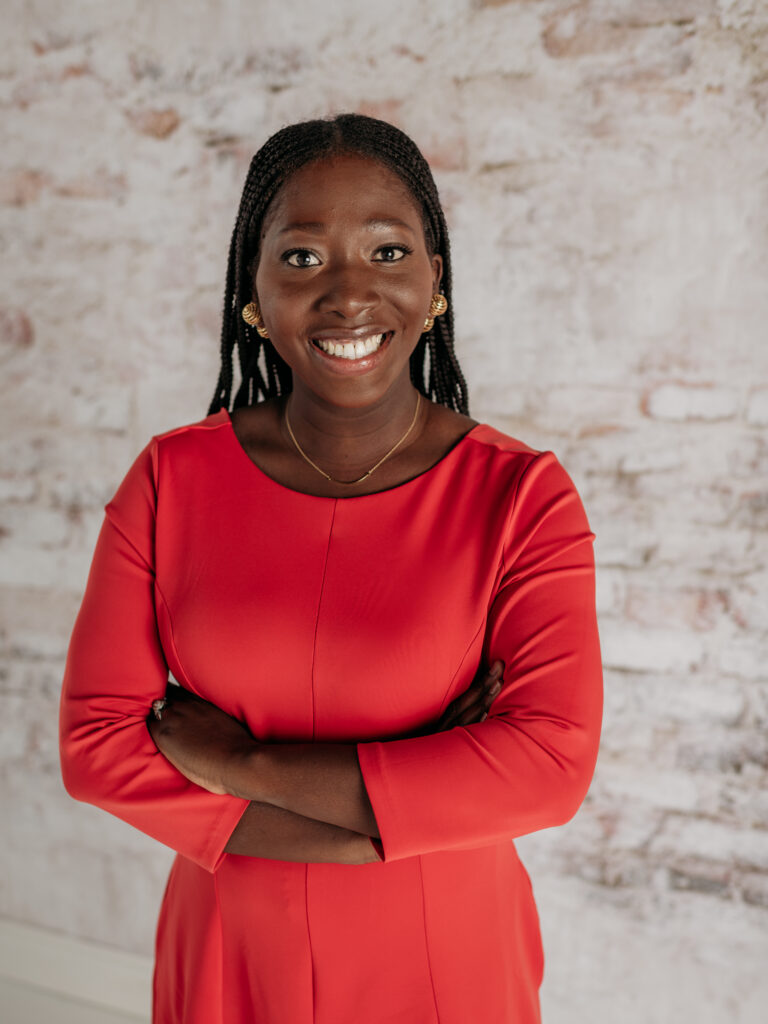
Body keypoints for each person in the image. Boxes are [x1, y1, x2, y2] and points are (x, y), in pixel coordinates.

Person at [59, 113, 603, 1024]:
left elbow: (547, 766)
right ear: (252, 293)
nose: (350, 294)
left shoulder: (522, 497)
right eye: (303, 259)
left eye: (389, 252)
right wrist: (374, 830)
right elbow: (96, 747)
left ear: (436, 282)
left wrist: (237, 761)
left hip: (442, 951)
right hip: (231, 949)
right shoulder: (171, 479)